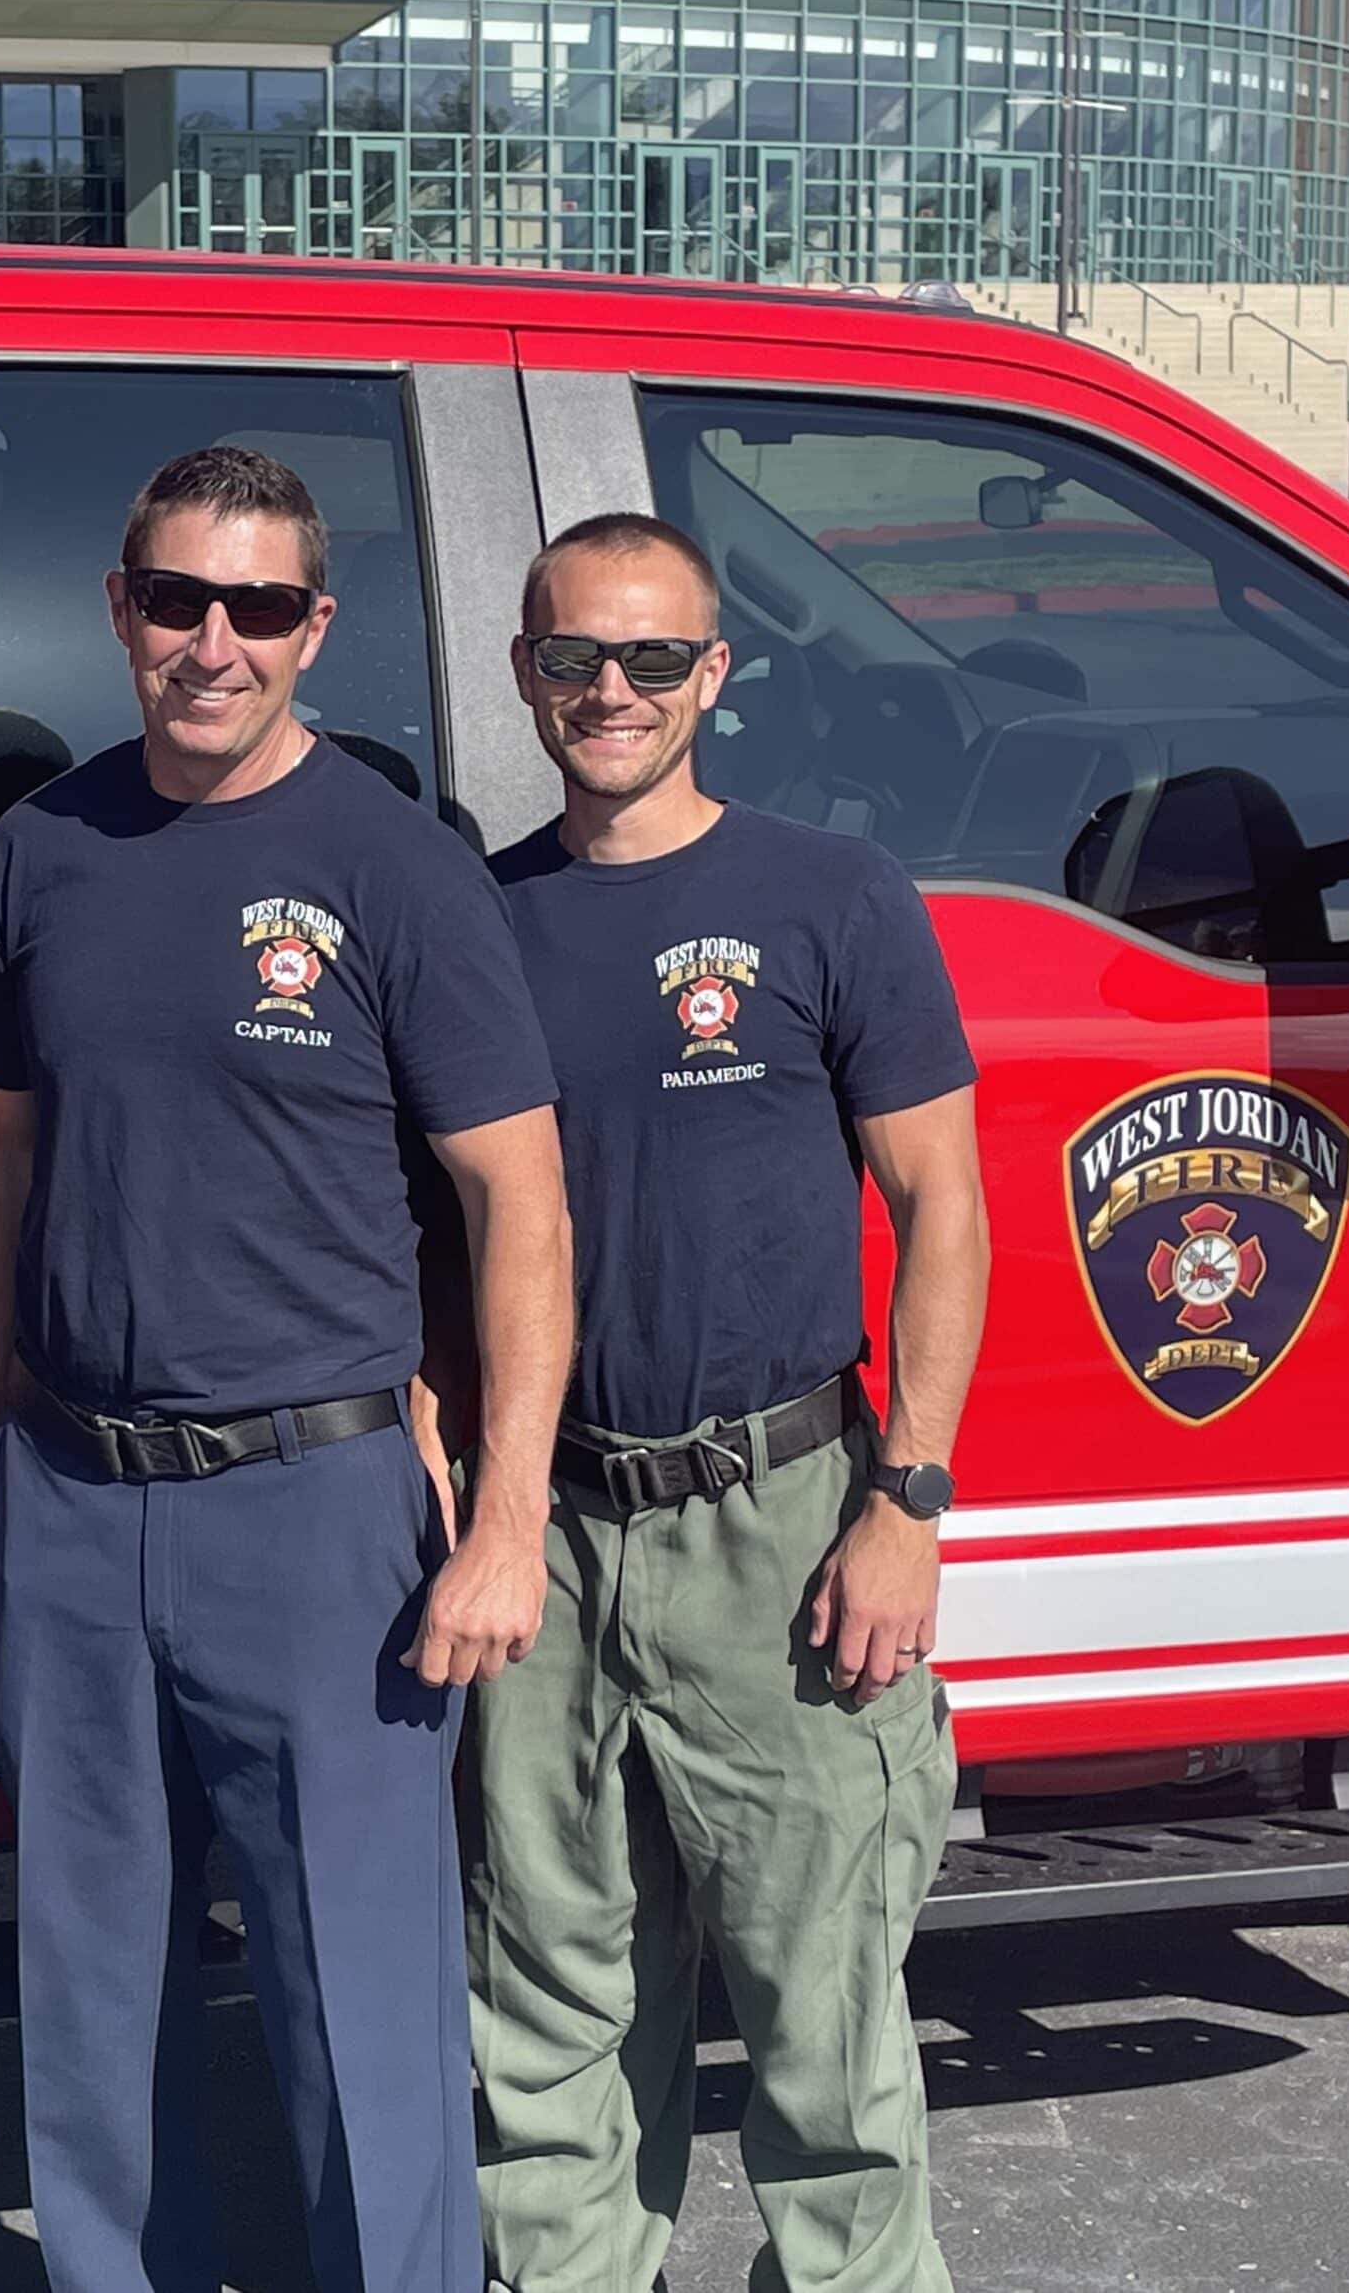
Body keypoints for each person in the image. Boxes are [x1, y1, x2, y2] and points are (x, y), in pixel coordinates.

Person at [0, 445, 574, 2293]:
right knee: (87, 1995)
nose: (211, 644)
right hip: (65, 1495)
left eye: (260, 609)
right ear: (119, 607)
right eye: (175, 601)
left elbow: (517, 1202)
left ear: (317, 629)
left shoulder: (394, 867)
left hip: (318, 1515)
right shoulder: (44, 850)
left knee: (360, 2003)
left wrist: (509, 1514)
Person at [455, 513, 988, 2293]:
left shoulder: (831, 899)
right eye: (570, 658)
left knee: (823, 2025)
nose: (609, 692)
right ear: (523, 668)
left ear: (716, 676)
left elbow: (941, 1209)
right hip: (548, 1532)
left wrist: (904, 1502)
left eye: (652, 659)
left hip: (783, 1524)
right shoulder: (477, 920)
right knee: (545, 2015)